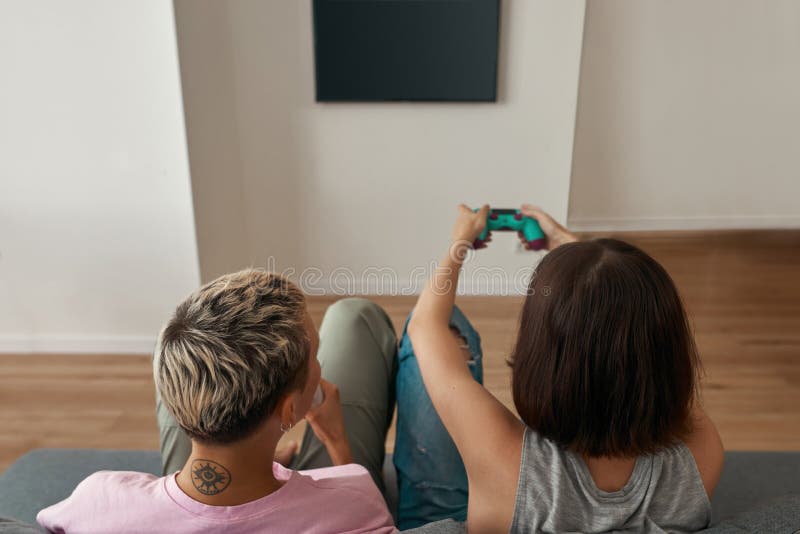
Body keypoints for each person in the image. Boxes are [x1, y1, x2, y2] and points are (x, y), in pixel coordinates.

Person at [399, 204, 725, 533]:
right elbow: (650, 360)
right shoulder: (703, 453)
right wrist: (581, 257)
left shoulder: (501, 452)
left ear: (540, 359)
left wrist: (460, 243)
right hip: (502, 492)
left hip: (461, 507)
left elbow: (426, 325)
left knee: (450, 324)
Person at [38, 271, 402, 533]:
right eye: (314, 357)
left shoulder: (98, 499)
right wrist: (338, 443)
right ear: (290, 409)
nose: (320, 366)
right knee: (355, 315)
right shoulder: (354, 500)